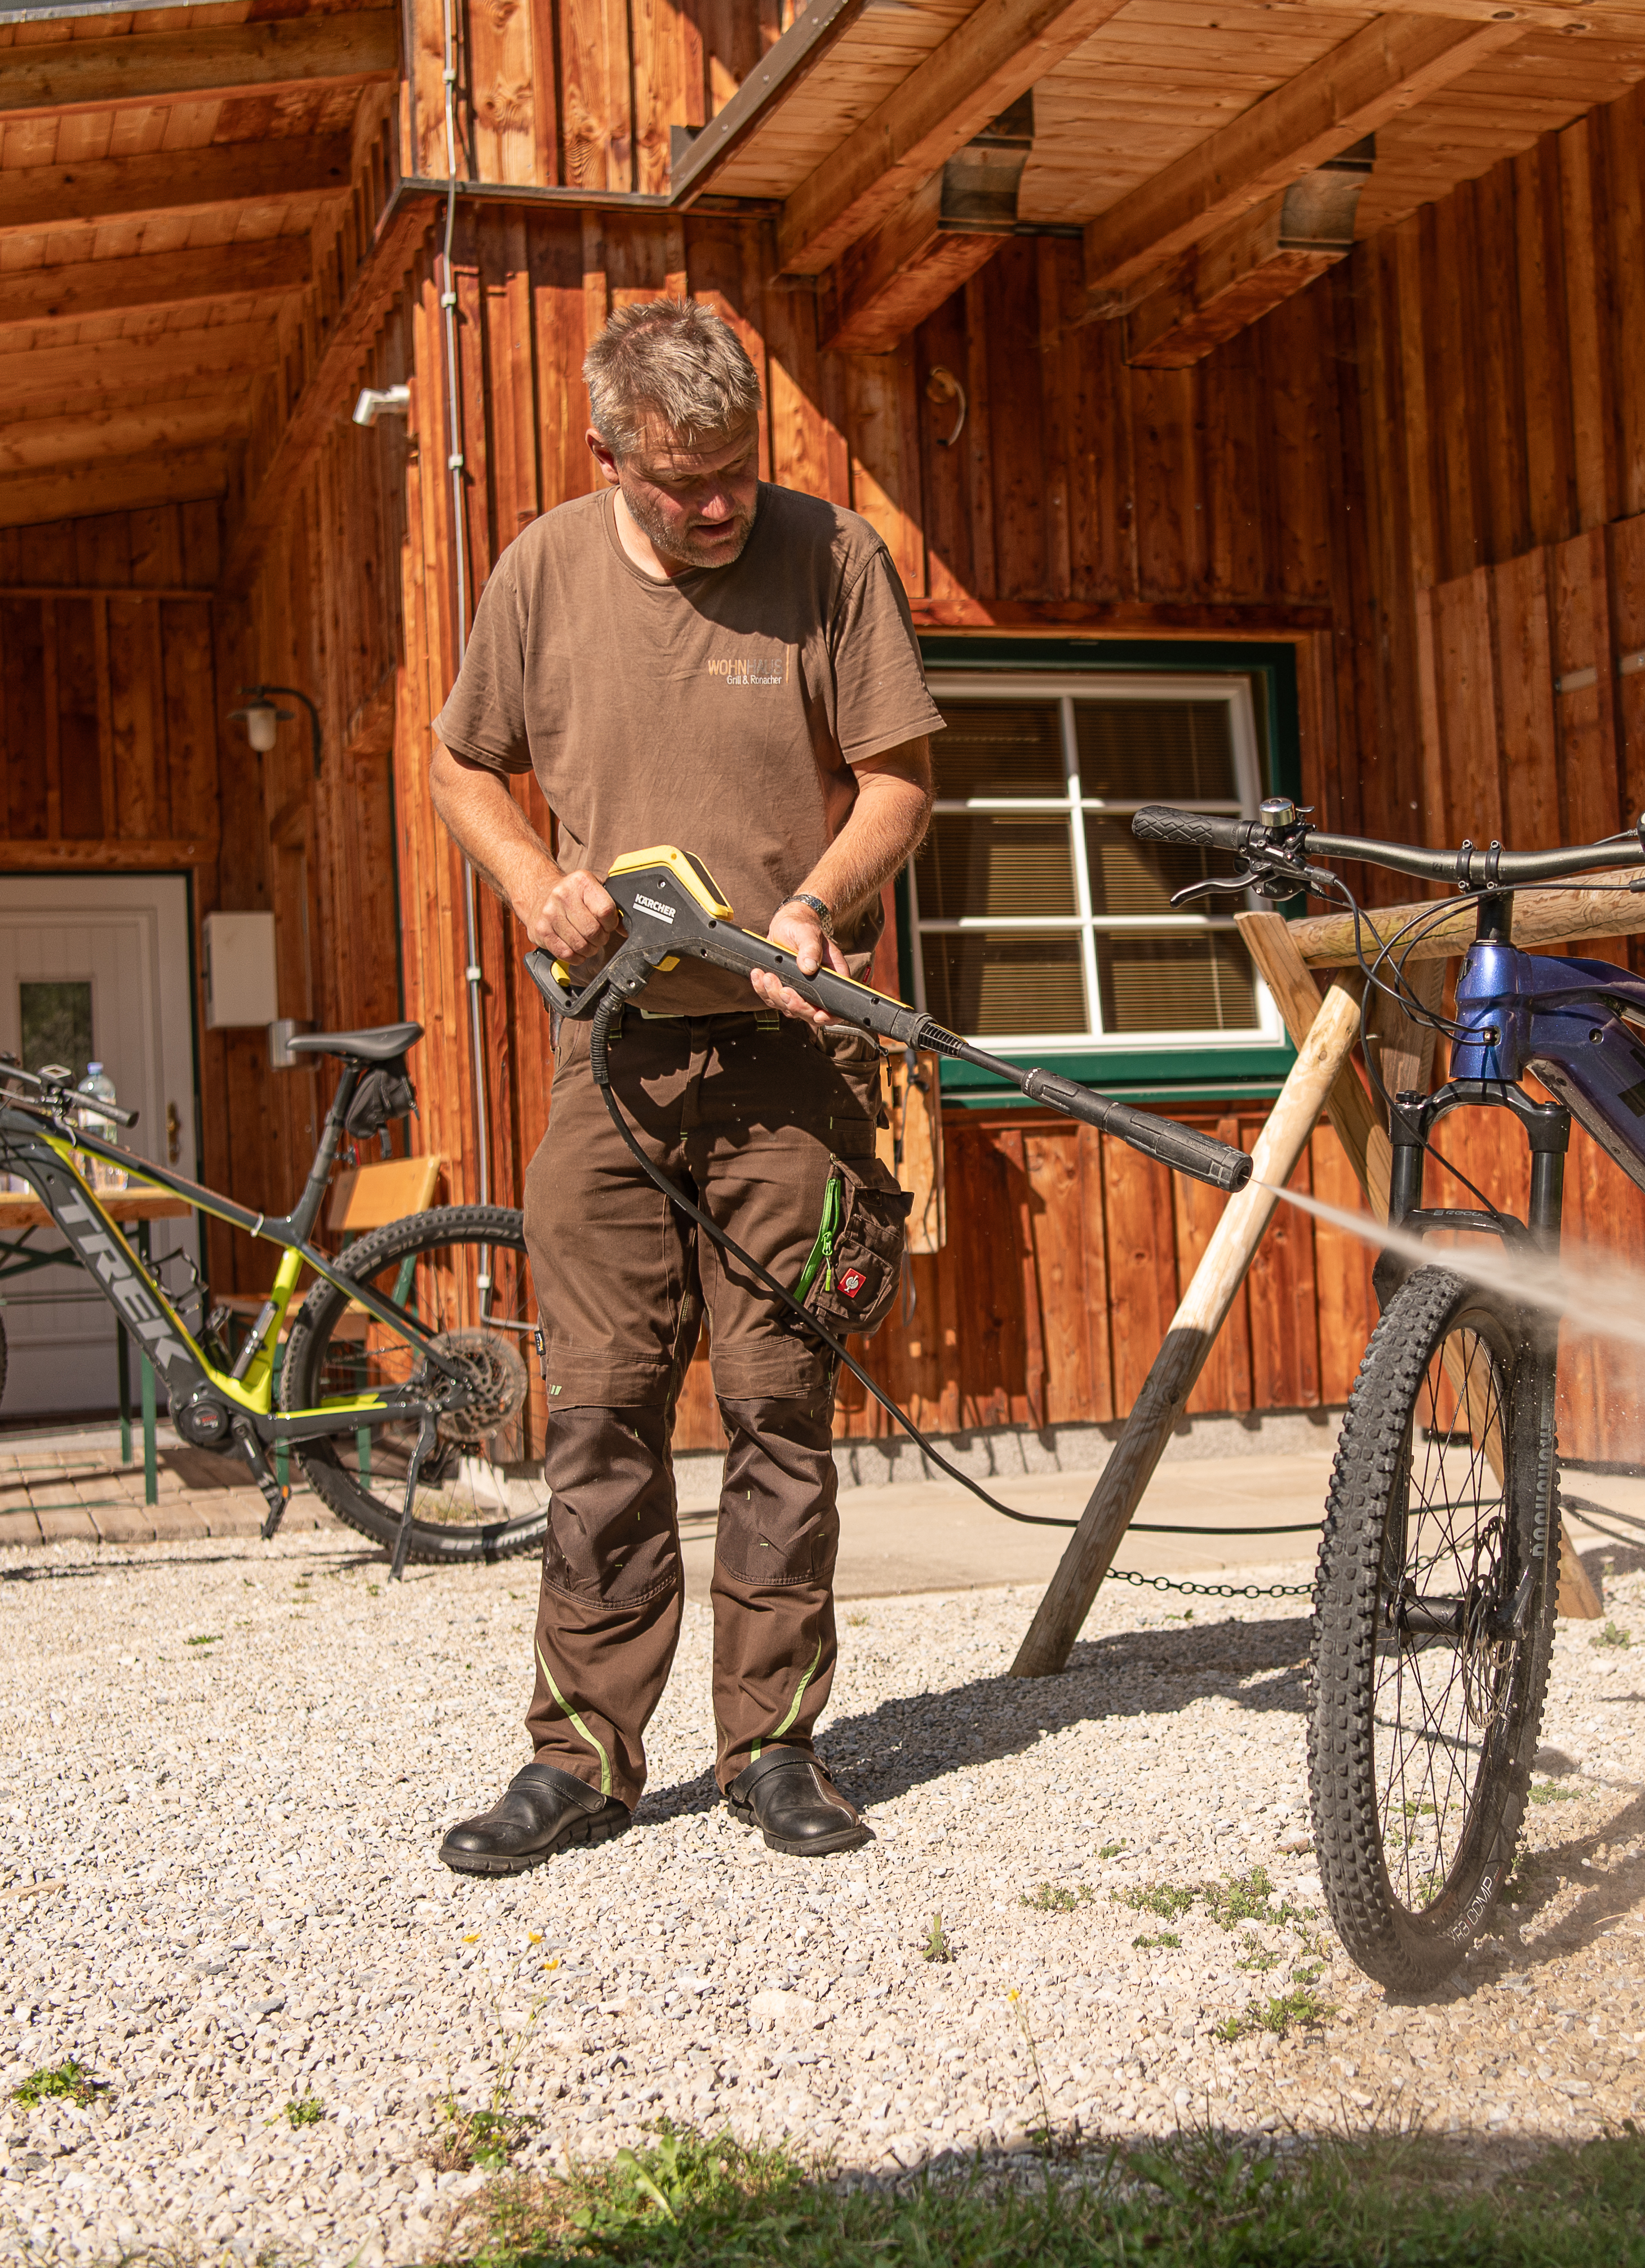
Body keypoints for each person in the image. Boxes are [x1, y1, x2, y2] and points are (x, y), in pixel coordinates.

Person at [425, 299, 940, 1875]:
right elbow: (459, 766)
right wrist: (530, 881)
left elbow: (899, 782)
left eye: (739, 475)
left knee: (781, 1402)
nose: (723, 507)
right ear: (610, 458)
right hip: (614, 1059)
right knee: (602, 1414)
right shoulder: (543, 572)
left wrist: (813, 908)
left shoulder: (834, 557)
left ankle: (774, 1750)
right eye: (685, 483)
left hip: (791, 1052)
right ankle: (581, 1758)